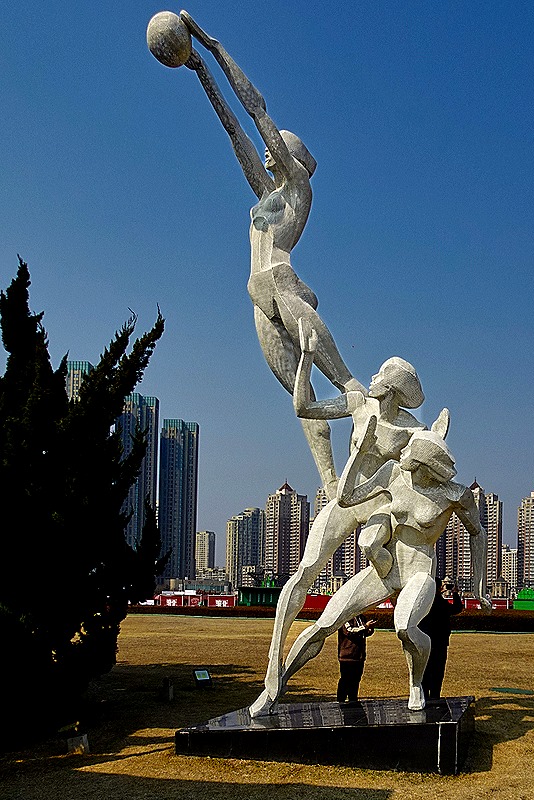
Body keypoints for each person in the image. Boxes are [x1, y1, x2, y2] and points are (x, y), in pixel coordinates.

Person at [176, 11, 365, 493]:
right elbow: (233, 131)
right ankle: (330, 484)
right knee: (301, 400)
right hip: (259, 299)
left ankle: (362, 403)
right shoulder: (266, 197)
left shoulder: (298, 188)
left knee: (343, 384)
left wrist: (215, 48)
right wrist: (200, 71)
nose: (267, 151)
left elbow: (256, 114)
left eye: (279, 147)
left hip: (283, 286)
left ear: (292, 157)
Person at [249, 326, 447, 717]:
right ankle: (272, 673)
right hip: (345, 500)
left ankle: (413, 675)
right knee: (304, 572)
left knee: (367, 552)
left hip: (379, 507)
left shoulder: (414, 432)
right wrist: (306, 359)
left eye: (380, 374)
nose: (370, 377)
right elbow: (305, 408)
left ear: (391, 388)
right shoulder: (358, 404)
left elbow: (425, 473)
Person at [273, 415, 489, 712]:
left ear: (425, 466)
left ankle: (416, 684)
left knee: (405, 627)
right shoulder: (393, 474)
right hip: (386, 570)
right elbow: (347, 498)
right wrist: (359, 453)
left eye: (410, 454)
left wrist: (479, 586)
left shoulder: (454, 494)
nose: (403, 455)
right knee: (325, 623)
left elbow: (478, 533)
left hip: (419, 573)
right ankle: (277, 686)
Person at [418, 578, 464, 701]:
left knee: (424, 670)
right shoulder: (441, 603)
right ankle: (435, 696)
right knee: (437, 671)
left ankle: (423, 696)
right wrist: (455, 593)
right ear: (439, 588)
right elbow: (457, 608)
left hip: (424, 641)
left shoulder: (423, 602)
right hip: (440, 642)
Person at [337, 616, 375, 703]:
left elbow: (363, 633)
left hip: (359, 656)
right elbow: (349, 631)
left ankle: (353, 701)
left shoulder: (361, 617)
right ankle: (340, 702)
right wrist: (365, 626)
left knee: (356, 680)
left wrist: (370, 628)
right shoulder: (346, 617)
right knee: (345, 680)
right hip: (347, 656)